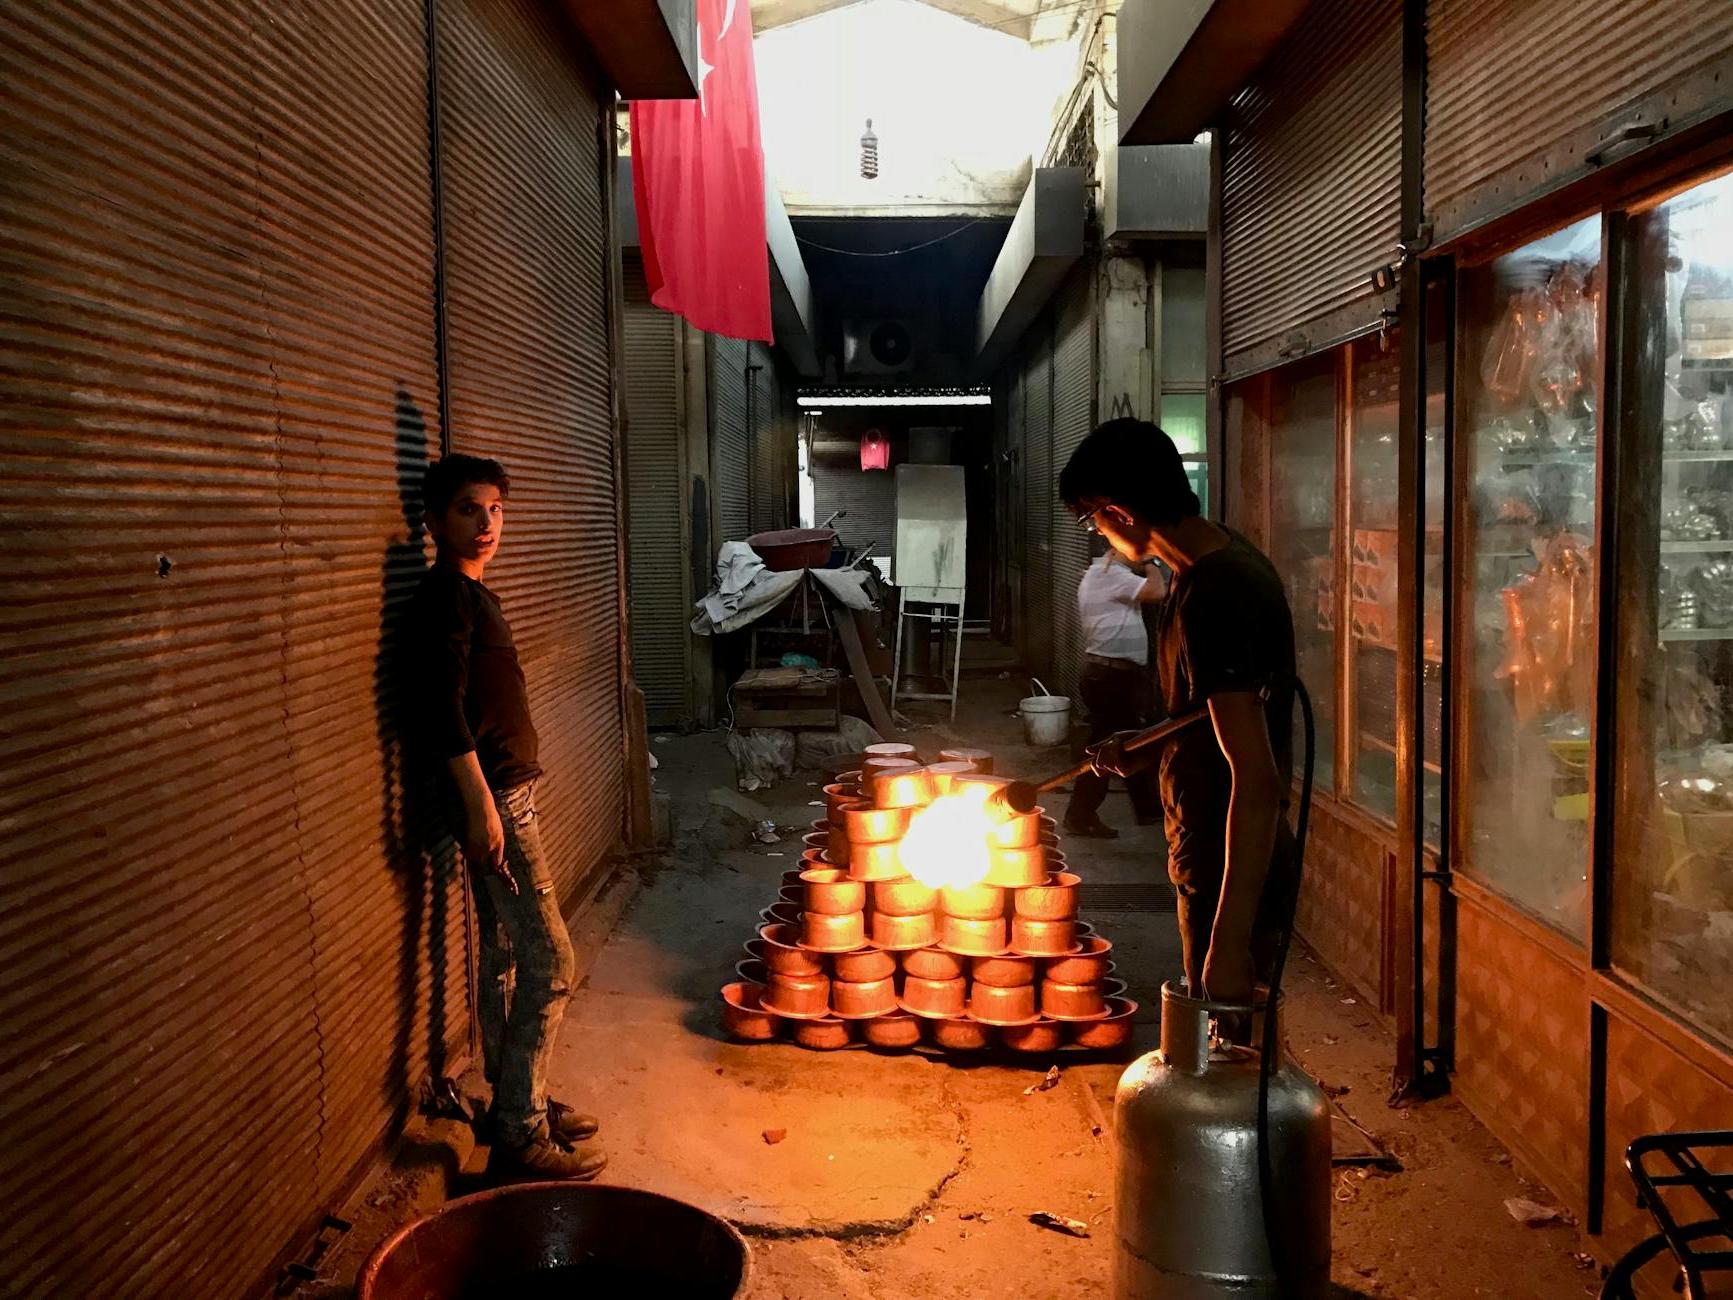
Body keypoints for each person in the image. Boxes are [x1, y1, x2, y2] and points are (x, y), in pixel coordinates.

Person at [410, 453, 606, 1180]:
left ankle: (513, 1104)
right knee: (552, 961)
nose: (486, 522)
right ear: (433, 522)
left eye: (494, 508)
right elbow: (440, 713)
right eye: (468, 509)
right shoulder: (446, 599)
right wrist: (482, 807)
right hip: (496, 801)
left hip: (502, 794)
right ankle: (522, 1133)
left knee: (500, 959)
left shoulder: (469, 594)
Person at [1058, 419, 1297, 1006]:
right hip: (1207, 845)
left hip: (1228, 864)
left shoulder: (1216, 593)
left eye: (1092, 520)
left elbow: (1259, 781)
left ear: (1116, 510)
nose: (1099, 535)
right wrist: (1146, 744)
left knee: (1229, 1057)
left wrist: (1228, 941)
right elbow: (1209, 715)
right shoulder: (1203, 568)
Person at [1063, 549, 1165, 839]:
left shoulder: (1102, 574)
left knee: (1128, 740)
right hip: (1111, 676)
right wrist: (1150, 561)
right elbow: (1158, 591)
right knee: (1108, 747)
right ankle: (1080, 815)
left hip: (1110, 674)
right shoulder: (1111, 575)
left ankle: (1146, 807)